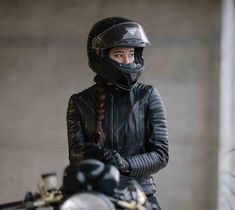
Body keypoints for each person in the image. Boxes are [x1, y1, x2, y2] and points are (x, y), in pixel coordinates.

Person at [66, 16, 169, 210]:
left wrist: (125, 163)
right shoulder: (79, 102)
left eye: (131, 54)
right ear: (101, 56)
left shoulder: (148, 96)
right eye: (119, 54)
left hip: (140, 197)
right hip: (94, 197)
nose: (127, 61)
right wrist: (94, 155)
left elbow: (161, 154)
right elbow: (75, 155)